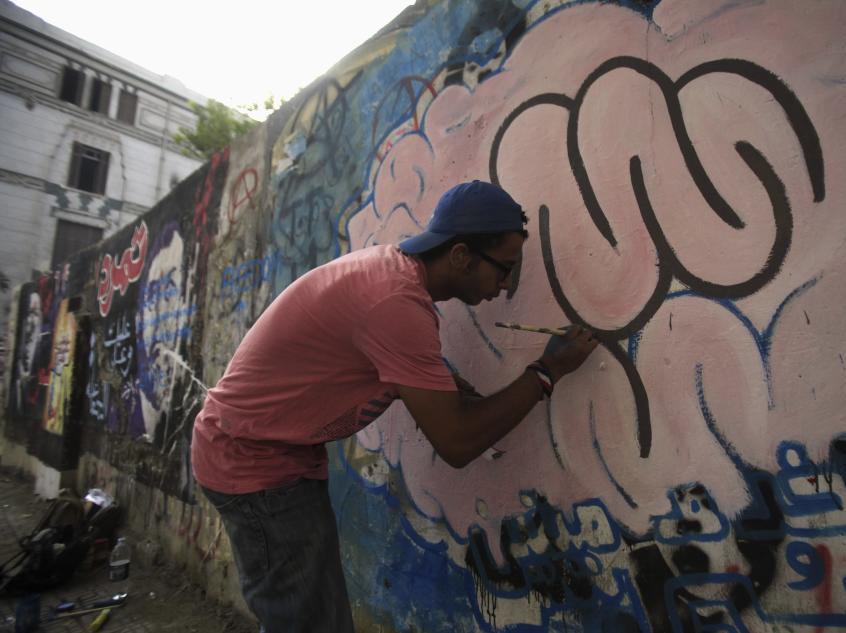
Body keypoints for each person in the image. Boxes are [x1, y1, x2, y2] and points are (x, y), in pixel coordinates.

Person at [191, 180, 599, 632]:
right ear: (461, 256)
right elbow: (458, 443)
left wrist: (439, 382)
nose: (504, 286)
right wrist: (546, 373)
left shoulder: (392, 276)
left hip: (269, 456)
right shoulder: (395, 301)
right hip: (253, 463)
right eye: (503, 269)